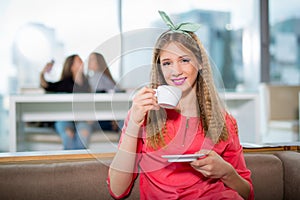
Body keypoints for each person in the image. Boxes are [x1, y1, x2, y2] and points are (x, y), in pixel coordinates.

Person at [107, 11, 254, 200]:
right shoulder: (144, 115)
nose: (175, 71)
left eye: (184, 60)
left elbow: (248, 193)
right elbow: (117, 191)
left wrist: (226, 172)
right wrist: (133, 123)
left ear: (200, 63)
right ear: (159, 68)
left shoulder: (225, 121)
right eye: (167, 63)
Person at [40, 54, 92, 150]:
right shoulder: (65, 83)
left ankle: (80, 163)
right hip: (65, 118)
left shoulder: (88, 83)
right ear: (71, 66)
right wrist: (43, 72)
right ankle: (71, 164)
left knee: (83, 134)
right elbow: (46, 85)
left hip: (81, 119)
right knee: (68, 135)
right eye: (79, 60)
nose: (82, 62)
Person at [87, 52, 121, 132]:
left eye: (92, 60)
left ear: (98, 62)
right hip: (112, 118)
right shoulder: (106, 77)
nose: (88, 62)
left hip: (105, 120)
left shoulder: (97, 77)